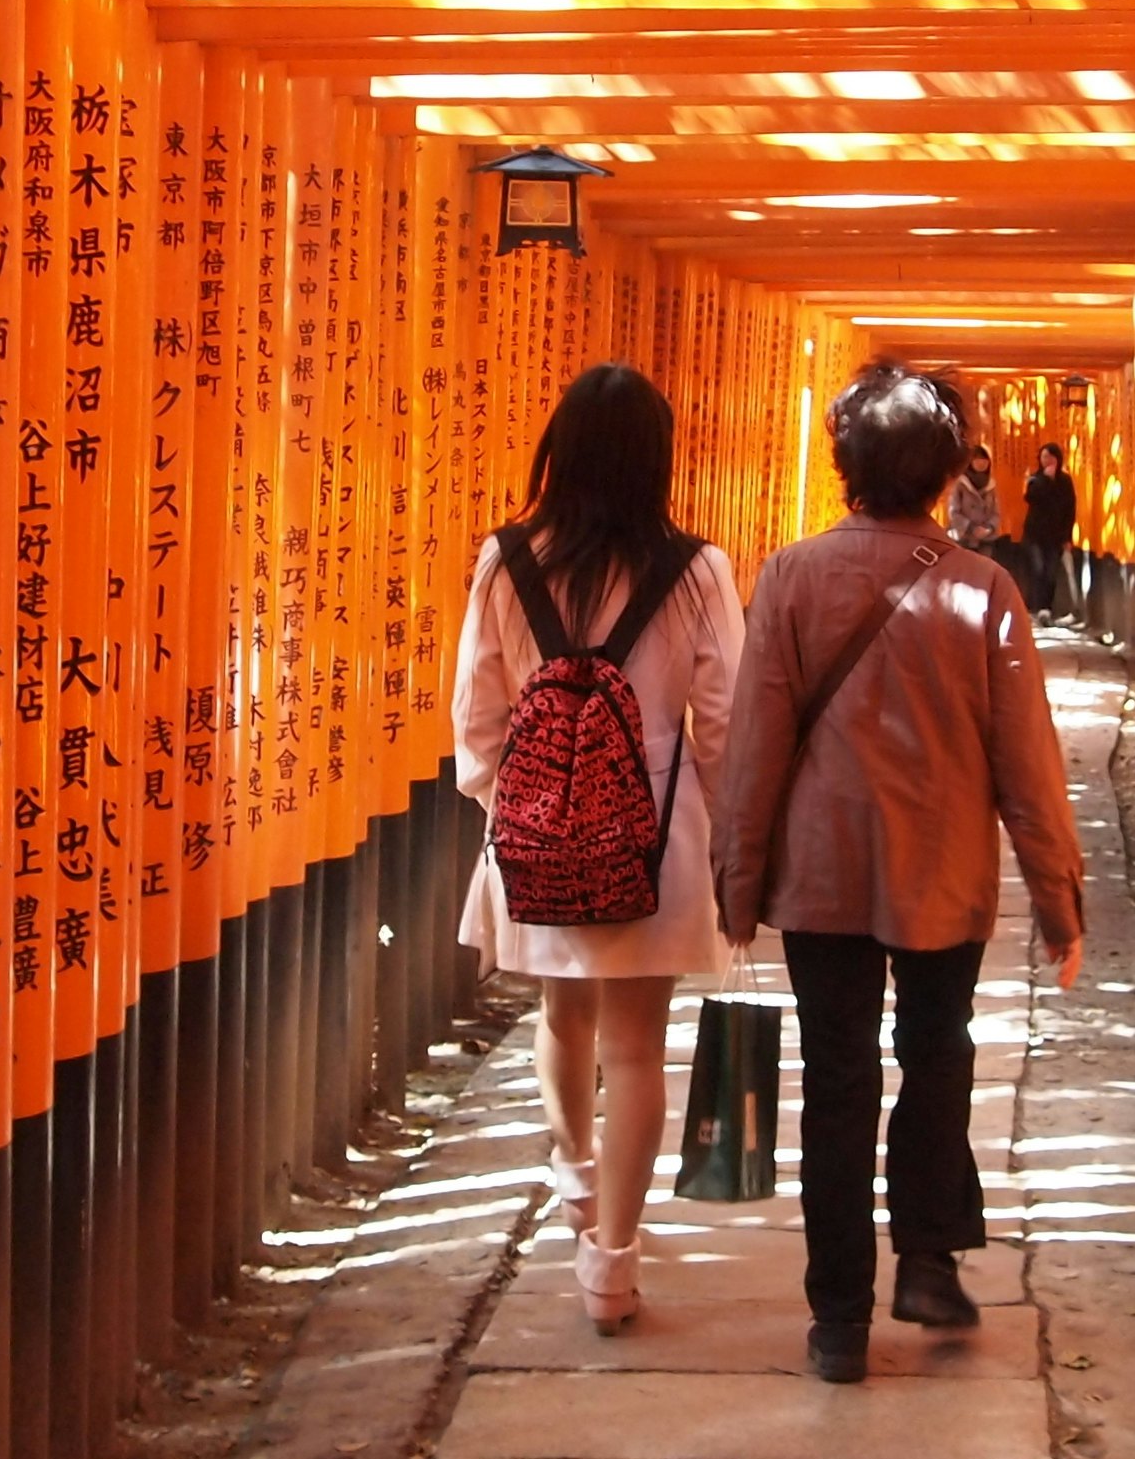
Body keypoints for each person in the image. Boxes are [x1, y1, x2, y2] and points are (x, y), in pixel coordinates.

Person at [717, 364, 1085, 1383]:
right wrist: (1058, 899)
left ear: (845, 463)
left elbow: (755, 745)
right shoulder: (986, 589)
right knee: (937, 1055)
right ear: (938, 471)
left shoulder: (788, 577)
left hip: (822, 875)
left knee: (836, 1082)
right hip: (940, 871)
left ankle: (838, 1318)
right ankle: (926, 1259)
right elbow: (1027, 761)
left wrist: (737, 884)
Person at [452, 363, 743, 1331]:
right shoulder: (696, 571)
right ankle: (610, 1266)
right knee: (636, 1046)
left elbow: (476, 721)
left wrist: (529, 811)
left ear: (559, 449)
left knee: (561, 1016)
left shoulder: (504, 563)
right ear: (657, 459)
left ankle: (573, 1175)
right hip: (654, 843)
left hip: (531, 836)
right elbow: (725, 724)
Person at [1019, 442, 1079, 622]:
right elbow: (1030, 498)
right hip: (1035, 535)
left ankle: (1047, 608)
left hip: (1056, 536)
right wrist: (1045, 479)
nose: (1047, 461)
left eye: (1051, 457)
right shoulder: (1035, 479)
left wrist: (1067, 536)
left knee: (1051, 571)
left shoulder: (1065, 481)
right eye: (1044, 457)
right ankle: (1039, 608)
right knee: (1038, 570)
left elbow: (1070, 509)